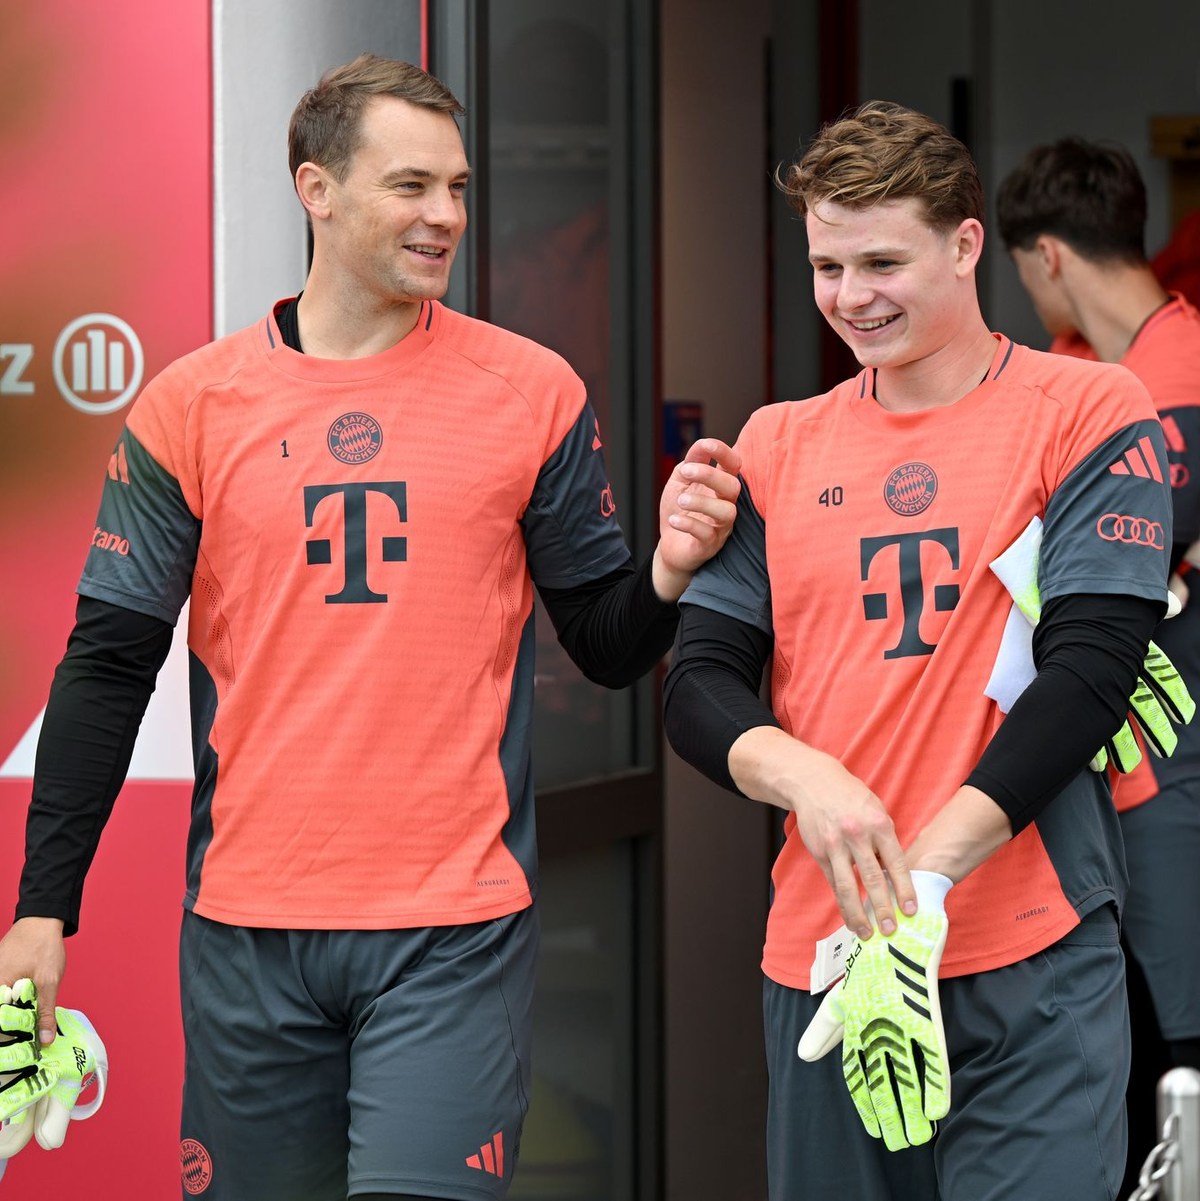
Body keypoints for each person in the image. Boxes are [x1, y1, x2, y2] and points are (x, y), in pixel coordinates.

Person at [0, 55, 741, 1201]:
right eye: (411, 186)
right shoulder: (188, 407)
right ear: (318, 189)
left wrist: (669, 569)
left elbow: (602, 640)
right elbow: (107, 665)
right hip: (247, 930)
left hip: (452, 932)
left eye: (456, 186)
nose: (445, 215)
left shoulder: (530, 391)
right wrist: (44, 909)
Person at [664, 102, 1176, 1199]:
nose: (853, 297)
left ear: (966, 244)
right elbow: (698, 684)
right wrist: (809, 780)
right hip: (829, 959)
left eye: (884, 260)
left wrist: (931, 872)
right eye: (828, 265)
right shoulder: (777, 443)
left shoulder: (1085, 409)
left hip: (1030, 956)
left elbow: (1092, 671)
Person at [997, 137, 1200, 1185]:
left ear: (1046, 259)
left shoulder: (1184, 371)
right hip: (1082, 776)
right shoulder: (1070, 383)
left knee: (1182, 1065)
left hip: (1173, 773)